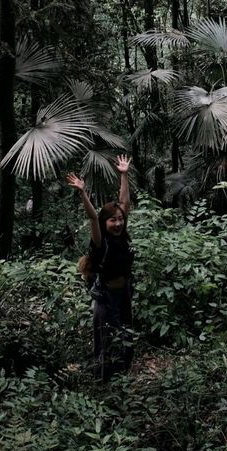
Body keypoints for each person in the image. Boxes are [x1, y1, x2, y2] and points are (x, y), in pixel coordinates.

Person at [67, 154, 134, 382]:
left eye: (120, 220)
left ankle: (122, 378)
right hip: (106, 298)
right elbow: (93, 218)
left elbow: (123, 204)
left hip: (124, 294)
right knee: (105, 341)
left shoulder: (122, 234)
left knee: (126, 336)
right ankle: (102, 383)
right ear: (106, 223)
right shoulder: (100, 241)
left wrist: (123, 175)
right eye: (112, 220)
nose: (118, 223)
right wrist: (83, 192)